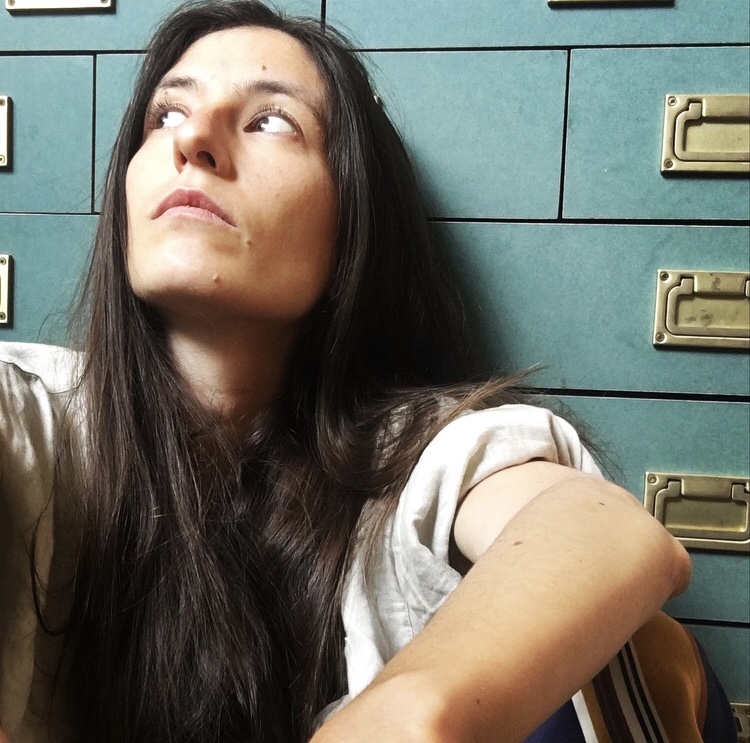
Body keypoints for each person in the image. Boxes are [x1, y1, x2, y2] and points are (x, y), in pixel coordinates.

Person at [0, 2, 735, 742]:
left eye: (271, 121)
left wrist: (416, 706)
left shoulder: (408, 459)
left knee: (629, 652)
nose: (192, 140)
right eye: (166, 114)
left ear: (350, 217)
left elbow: (599, 529)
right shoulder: (35, 418)